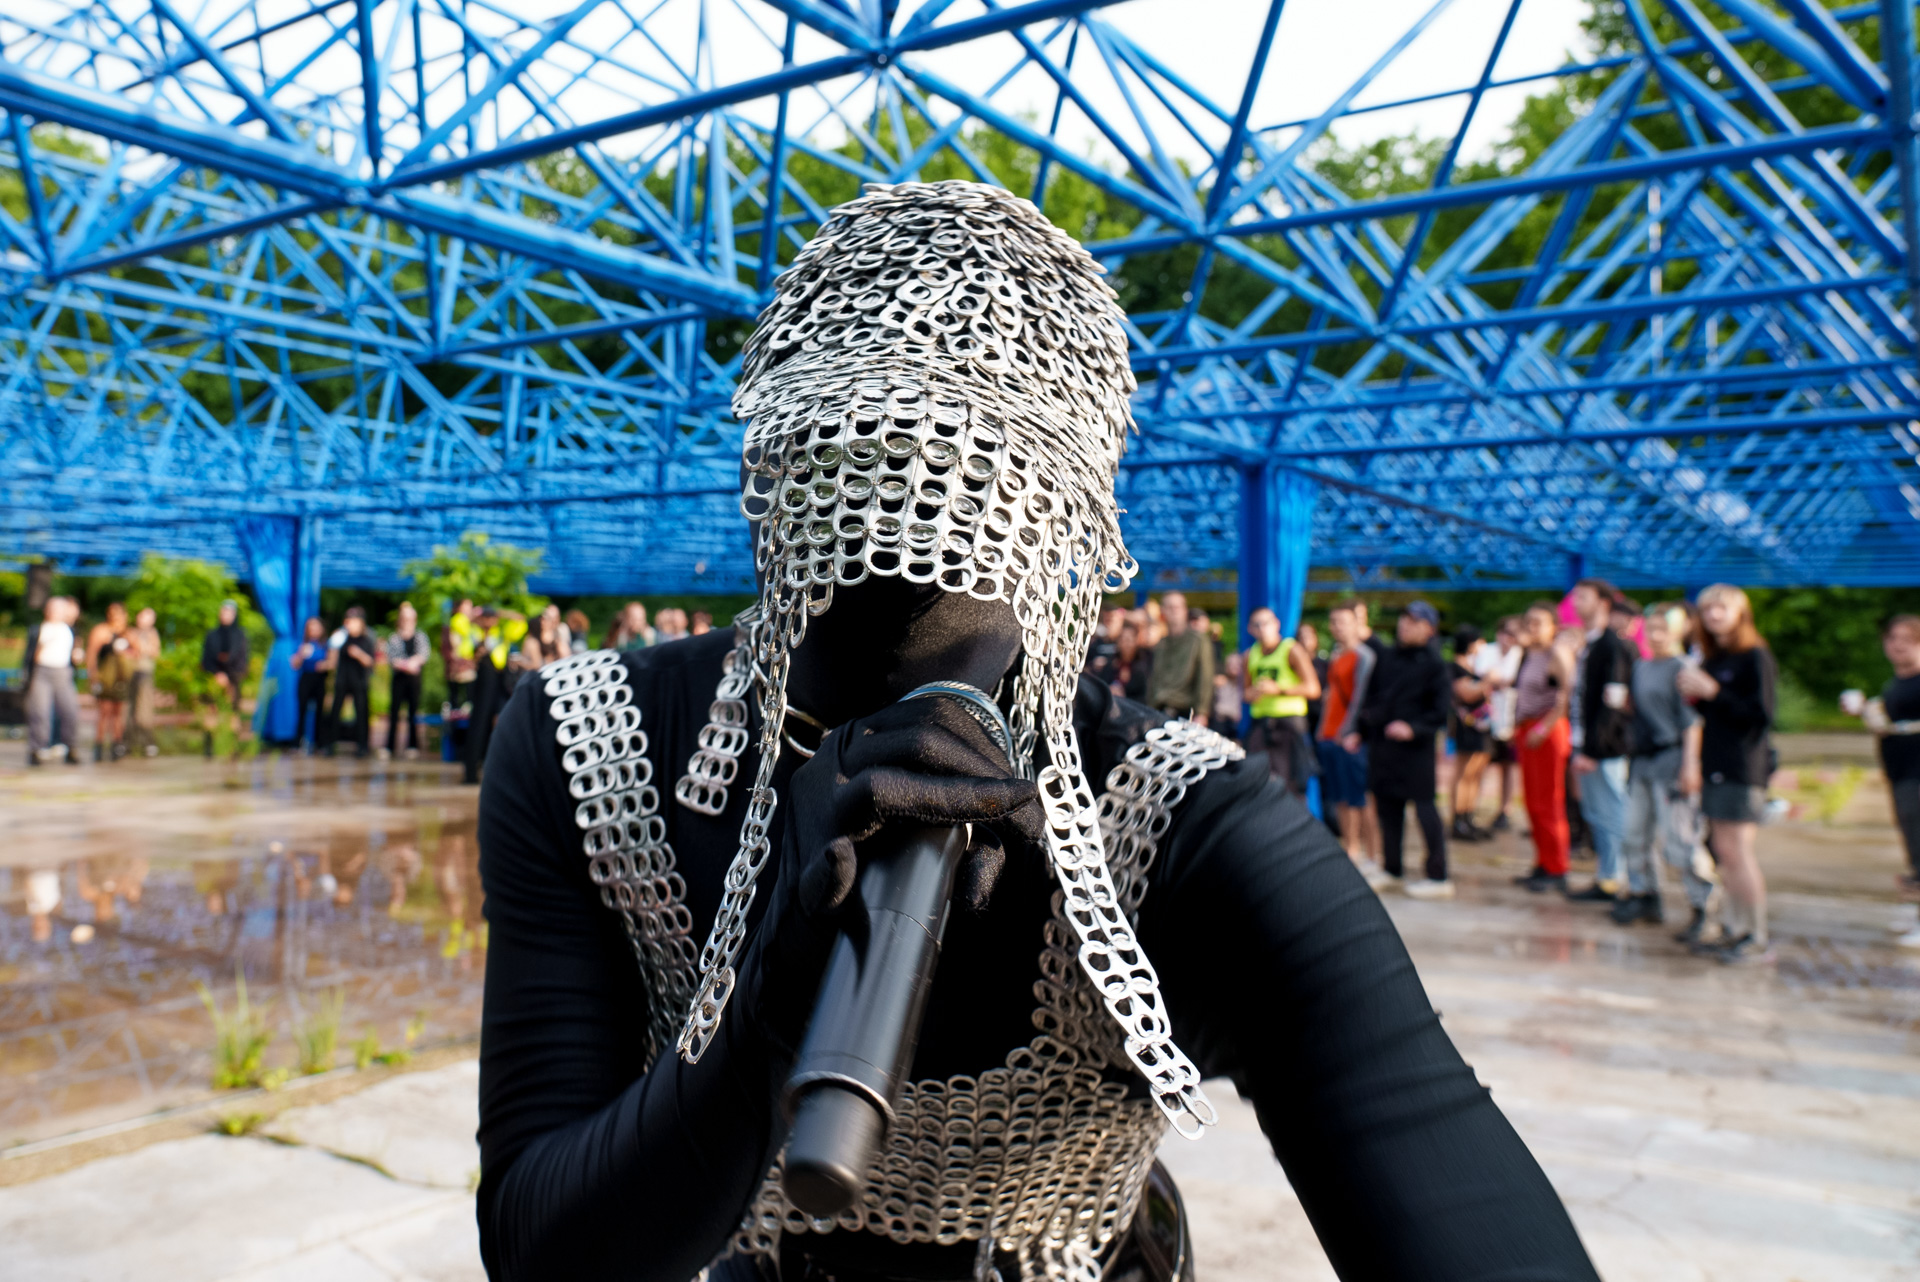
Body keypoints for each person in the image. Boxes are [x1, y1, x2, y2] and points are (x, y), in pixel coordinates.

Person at [472, 183, 1596, 1282]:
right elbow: (540, 1245)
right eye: (859, 459)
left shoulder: (1178, 824)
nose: (905, 520)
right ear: (776, 468)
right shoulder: (596, 741)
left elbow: (1446, 1179)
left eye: (967, 480)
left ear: (1059, 518)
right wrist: (768, 998)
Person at [1678, 584, 1776, 964]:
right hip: (1715, 763)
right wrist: (1697, 695)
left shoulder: (1755, 656)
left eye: (1722, 608)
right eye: (1707, 609)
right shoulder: (1714, 658)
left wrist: (1714, 692)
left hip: (1742, 766)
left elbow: (1760, 716)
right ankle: (1735, 929)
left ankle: (1755, 935)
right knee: (1724, 852)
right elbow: (1712, 713)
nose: (1714, 615)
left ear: (1740, 614)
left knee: (1738, 851)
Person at [1616, 603, 1709, 932]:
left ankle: (1702, 904)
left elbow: (1692, 722)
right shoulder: (1641, 667)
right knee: (1633, 833)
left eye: (1663, 629)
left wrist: (1690, 766)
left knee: (1679, 839)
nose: (1656, 636)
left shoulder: (1683, 668)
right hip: (1641, 759)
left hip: (1672, 760)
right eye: (1651, 629)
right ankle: (1644, 893)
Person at [1348, 601, 1452, 897]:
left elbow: (1440, 712)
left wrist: (1413, 728)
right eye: (1403, 619)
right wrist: (1359, 732)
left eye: (1413, 621)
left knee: (1425, 808)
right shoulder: (1387, 657)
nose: (1404, 626)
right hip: (1384, 747)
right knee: (1388, 809)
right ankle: (1392, 869)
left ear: (1429, 629)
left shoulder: (1435, 664)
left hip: (1417, 751)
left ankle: (1438, 877)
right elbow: (1371, 699)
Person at [1847, 615, 1920, 948]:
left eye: (1908, 638)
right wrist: (1866, 711)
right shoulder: (1896, 683)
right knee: (1912, 844)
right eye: (1893, 638)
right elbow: (1887, 722)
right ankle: (1913, 907)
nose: (1899, 645)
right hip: (1900, 773)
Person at [1568, 580, 1636, 901]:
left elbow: (1613, 704)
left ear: (1604, 603)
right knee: (1598, 814)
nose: (1576, 602)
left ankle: (1617, 880)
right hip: (1590, 746)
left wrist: (1593, 750)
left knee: (1611, 813)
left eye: (1583, 597)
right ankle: (1608, 876)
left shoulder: (1612, 646)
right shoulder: (1592, 644)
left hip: (1604, 751)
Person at [1512, 603, 1577, 892]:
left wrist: (1545, 726)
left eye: (1539, 623)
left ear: (1553, 626)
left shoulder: (1557, 654)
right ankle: (1543, 862)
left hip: (1546, 729)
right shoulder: (1529, 654)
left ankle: (1558, 867)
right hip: (1527, 729)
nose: (1533, 628)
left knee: (1550, 800)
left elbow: (1567, 695)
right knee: (1533, 801)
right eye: (1529, 622)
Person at [1318, 604, 1379, 866]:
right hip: (1329, 735)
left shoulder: (1365, 656)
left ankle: (1373, 855)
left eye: (1342, 621)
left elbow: (1360, 698)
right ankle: (1350, 848)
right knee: (1340, 797)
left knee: (1361, 798)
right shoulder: (1336, 656)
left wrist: (1350, 730)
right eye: (1333, 622)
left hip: (1350, 737)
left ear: (1357, 624)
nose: (1336, 627)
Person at [1242, 607, 1322, 796]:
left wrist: (1278, 690)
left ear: (1277, 624)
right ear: (1250, 629)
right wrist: (1254, 693)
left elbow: (1313, 689)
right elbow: (1245, 693)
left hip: (1289, 724)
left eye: (1266, 623)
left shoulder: (1291, 649)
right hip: (1261, 724)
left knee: (1292, 785)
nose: (1262, 629)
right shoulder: (1250, 654)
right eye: (1257, 625)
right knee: (1258, 782)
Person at [464, 606, 527, 785]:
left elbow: (520, 620)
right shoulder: (472, 632)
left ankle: (491, 767)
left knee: (497, 723)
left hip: (498, 680)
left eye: (492, 618)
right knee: (479, 724)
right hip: (481, 679)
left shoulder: (500, 634)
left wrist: (501, 612)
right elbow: (460, 627)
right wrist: (475, 618)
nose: (489, 621)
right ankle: (471, 771)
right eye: (486, 617)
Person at [1448, 625, 1496, 843]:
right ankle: (1458, 819)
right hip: (1466, 726)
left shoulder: (1473, 667)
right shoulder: (1455, 668)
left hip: (1480, 727)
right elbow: (1466, 694)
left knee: (1474, 773)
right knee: (1464, 774)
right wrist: (1488, 682)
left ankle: (1468, 816)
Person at [23, 596, 83, 766]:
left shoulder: (69, 630)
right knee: (39, 712)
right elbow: (30, 655)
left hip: (62, 673)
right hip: (42, 672)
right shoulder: (39, 629)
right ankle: (36, 749)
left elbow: (74, 653)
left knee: (69, 710)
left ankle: (71, 747)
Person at [1143, 592, 1213, 724]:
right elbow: (1154, 679)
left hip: (1185, 711)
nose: (1174, 611)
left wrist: (1202, 712)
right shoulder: (1161, 644)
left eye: (1177, 607)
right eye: (1169, 607)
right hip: (1159, 710)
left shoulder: (1198, 640)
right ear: (1163, 611)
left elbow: (1205, 676)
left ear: (1185, 610)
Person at [1483, 616, 1526, 831]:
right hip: (1487, 719)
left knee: (1508, 765)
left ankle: (1505, 809)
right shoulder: (1488, 651)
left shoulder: (1521, 654)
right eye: (1506, 633)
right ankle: (1470, 807)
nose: (1509, 639)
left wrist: (1495, 680)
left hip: (1510, 718)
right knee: (1481, 763)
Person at [199, 599, 250, 757]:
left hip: (233, 679)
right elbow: (206, 658)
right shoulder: (212, 635)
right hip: (214, 678)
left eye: (229, 613)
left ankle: (232, 747)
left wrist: (230, 677)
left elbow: (242, 659)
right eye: (224, 612)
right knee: (212, 712)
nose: (226, 615)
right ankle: (209, 748)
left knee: (233, 713)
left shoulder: (240, 635)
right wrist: (217, 673)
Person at [324, 607, 378, 758]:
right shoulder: (341, 638)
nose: (350, 624)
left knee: (361, 713)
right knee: (335, 712)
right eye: (348, 621)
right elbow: (332, 658)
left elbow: (370, 662)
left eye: (354, 621)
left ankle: (362, 746)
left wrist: (358, 654)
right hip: (342, 680)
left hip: (359, 682)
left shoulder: (367, 639)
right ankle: (329, 744)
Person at [87, 602, 136, 761]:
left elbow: (137, 652)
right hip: (104, 678)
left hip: (121, 678)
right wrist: (92, 675)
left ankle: (117, 745)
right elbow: (92, 654)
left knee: (118, 713)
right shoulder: (100, 631)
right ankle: (99, 745)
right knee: (104, 712)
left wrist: (126, 652)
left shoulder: (128, 633)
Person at [386, 602, 430, 758]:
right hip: (399, 678)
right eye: (404, 618)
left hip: (414, 680)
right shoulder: (394, 638)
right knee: (394, 712)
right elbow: (392, 658)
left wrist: (412, 663)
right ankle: (390, 746)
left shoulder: (420, 636)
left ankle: (412, 745)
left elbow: (424, 654)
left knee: (413, 711)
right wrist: (407, 665)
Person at [289, 616, 331, 753]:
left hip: (320, 679)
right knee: (301, 710)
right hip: (306, 678)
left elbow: (332, 663)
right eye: (311, 627)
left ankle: (319, 742)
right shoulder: (302, 644)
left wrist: (323, 665)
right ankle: (298, 741)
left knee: (320, 712)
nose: (313, 630)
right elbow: (294, 664)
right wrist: (300, 655)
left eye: (316, 627)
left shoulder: (326, 644)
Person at [127, 606, 163, 757]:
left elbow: (155, 652)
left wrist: (141, 648)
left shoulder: (152, 633)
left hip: (145, 673)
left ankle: (147, 742)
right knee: (129, 708)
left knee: (145, 709)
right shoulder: (130, 632)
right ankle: (127, 742)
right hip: (130, 673)